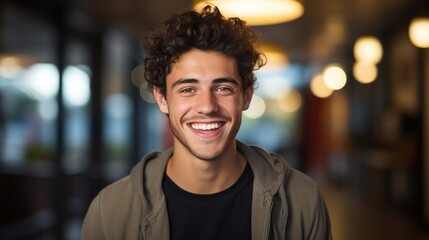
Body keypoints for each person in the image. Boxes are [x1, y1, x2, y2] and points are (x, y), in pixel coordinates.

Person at [81, 4, 332, 240]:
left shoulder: (302, 201)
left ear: (246, 96)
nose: (207, 106)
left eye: (223, 88)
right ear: (162, 99)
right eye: (188, 89)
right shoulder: (110, 212)